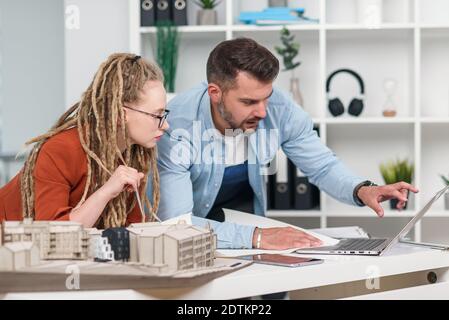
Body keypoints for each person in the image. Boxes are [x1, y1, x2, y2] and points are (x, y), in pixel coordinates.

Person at [0, 52, 319, 250]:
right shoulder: (60, 150)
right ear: (122, 113)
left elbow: (133, 233)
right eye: (157, 115)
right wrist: (107, 191)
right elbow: (53, 237)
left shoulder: (136, 155)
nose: (165, 126)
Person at [152, 38, 419, 249]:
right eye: (248, 102)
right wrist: (257, 237)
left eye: (266, 97)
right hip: (194, 236)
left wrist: (362, 189)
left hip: (248, 223)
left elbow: (322, 166)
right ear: (215, 93)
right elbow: (178, 225)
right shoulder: (176, 127)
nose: (263, 112)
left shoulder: (279, 108)